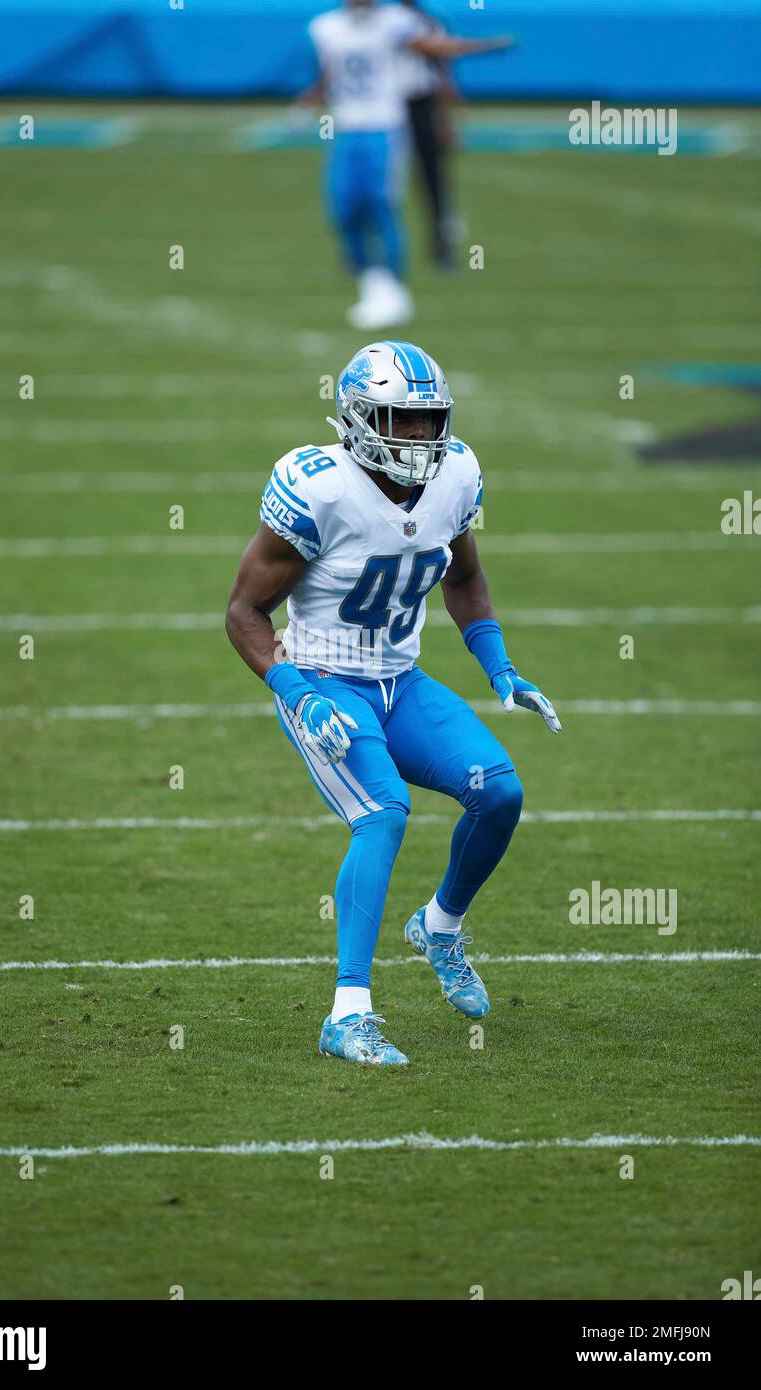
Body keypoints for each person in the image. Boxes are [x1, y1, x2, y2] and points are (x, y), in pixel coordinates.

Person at [226, 340, 561, 1066]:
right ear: (356, 416)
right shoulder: (318, 486)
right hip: (321, 681)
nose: (418, 437)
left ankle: (439, 926)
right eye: (399, 421)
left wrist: (500, 667)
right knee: (381, 812)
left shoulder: (456, 474)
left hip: (400, 681)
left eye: (428, 420)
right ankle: (347, 1014)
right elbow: (243, 612)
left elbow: (463, 575)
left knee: (500, 792)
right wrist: (293, 692)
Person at [302, 0, 511, 328]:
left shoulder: (393, 21)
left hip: (384, 128)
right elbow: (332, 68)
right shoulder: (325, 27)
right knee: (342, 207)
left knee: (381, 204)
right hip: (347, 128)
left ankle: (393, 286)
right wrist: (313, 95)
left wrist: (481, 47)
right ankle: (370, 277)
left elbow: (433, 47)